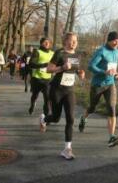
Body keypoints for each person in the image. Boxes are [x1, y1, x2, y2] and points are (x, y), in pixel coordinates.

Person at [39, 32, 85, 160]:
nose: (74, 43)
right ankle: (44, 119)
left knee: (70, 119)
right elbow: (48, 69)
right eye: (71, 41)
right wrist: (62, 67)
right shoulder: (59, 53)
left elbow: (76, 69)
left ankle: (67, 149)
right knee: (56, 118)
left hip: (69, 90)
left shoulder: (77, 55)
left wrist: (80, 73)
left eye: (75, 40)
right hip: (57, 90)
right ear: (65, 41)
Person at [78, 31, 118, 147]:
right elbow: (91, 66)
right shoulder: (101, 51)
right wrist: (104, 72)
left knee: (112, 108)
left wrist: (116, 73)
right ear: (109, 40)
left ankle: (112, 136)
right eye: (114, 40)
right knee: (92, 107)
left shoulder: (117, 52)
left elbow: (113, 67)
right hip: (98, 84)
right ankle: (84, 117)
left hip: (110, 84)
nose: (116, 42)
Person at [28, 38, 54, 115]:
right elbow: (31, 64)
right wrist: (44, 65)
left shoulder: (52, 53)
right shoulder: (37, 52)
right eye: (45, 42)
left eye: (48, 42)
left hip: (48, 79)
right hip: (37, 78)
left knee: (47, 98)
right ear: (41, 43)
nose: (47, 44)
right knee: (35, 95)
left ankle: (46, 116)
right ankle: (32, 105)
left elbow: (58, 64)